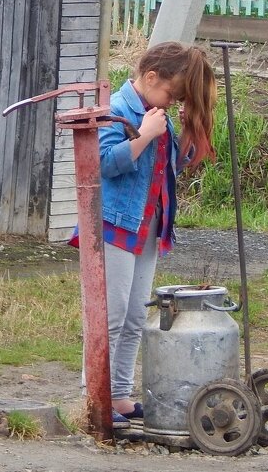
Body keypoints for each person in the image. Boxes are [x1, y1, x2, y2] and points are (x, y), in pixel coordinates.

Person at [72, 41, 217, 426]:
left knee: (136, 316)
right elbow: (102, 163)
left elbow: (171, 167)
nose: (171, 102)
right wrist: (145, 135)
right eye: (171, 93)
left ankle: (119, 395)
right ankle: (93, 397)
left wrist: (186, 133)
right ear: (151, 77)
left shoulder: (158, 115)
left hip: (147, 227)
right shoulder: (118, 110)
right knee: (111, 316)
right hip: (115, 225)